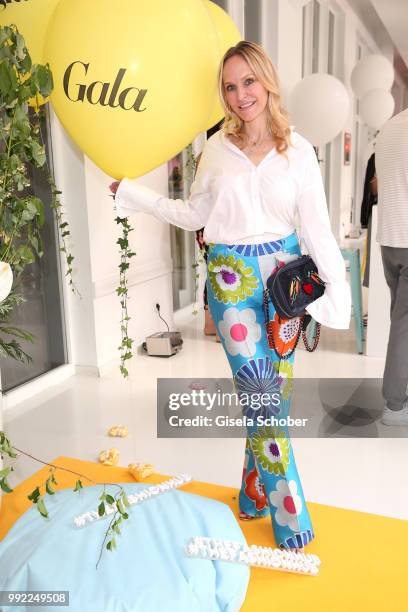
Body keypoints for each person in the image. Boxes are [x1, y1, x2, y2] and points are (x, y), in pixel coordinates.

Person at [110, 41, 350, 550]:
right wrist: (134, 194)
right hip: (231, 280)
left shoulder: (299, 151)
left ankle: (252, 494)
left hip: (284, 282)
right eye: (229, 86)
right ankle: (290, 515)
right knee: (261, 393)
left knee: (271, 400)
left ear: (267, 82)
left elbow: (318, 230)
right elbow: (195, 215)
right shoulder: (215, 150)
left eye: (248, 81)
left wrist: (335, 293)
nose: (240, 94)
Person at [375, 108, 408, 426]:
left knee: (401, 321)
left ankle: (400, 395)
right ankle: (395, 406)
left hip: (390, 239)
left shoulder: (390, 127)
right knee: (404, 325)